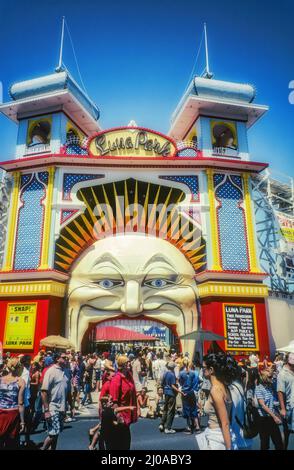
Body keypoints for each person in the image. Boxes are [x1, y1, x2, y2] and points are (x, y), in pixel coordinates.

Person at [197, 353, 237, 450]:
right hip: (220, 434)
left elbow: (225, 422)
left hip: (217, 438)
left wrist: (229, 448)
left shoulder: (215, 390)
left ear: (211, 370)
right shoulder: (225, 386)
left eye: (204, 368)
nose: (202, 370)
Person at [41, 352, 70, 450]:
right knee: (53, 433)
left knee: (56, 433)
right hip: (52, 406)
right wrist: (46, 410)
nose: (66, 359)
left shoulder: (66, 371)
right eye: (64, 357)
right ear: (57, 359)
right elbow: (44, 392)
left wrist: (71, 406)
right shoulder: (51, 371)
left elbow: (68, 390)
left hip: (62, 407)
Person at [109, 355, 138, 450]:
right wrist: (119, 417)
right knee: (122, 442)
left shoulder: (128, 375)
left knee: (126, 440)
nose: (130, 363)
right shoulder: (117, 378)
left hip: (128, 413)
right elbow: (114, 401)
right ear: (123, 365)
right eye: (127, 362)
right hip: (121, 414)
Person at [255, 367, 283, 450]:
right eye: (270, 377)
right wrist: (274, 417)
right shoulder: (259, 388)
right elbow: (263, 405)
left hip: (272, 417)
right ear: (265, 377)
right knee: (265, 444)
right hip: (263, 419)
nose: (272, 379)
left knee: (278, 443)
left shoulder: (270, 386)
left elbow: (274, 401)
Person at [0, 358, 25, 449]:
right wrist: (22, 422)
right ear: (19, 368)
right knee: (11, 443)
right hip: (13, 414)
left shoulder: (1, 379)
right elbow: (20, 403)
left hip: (1, 413)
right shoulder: (20, 381)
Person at [159, 361, 183, 434]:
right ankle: (168, 427)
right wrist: (179, 391)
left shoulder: (165, 373)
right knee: (171, 410)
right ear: (172, 367)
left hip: (166, 392)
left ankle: (162, 424)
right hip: (171, 393)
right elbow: (172, 385)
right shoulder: (172, 374)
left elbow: (162, 382)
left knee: (165, 409)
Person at [179, 359, 201, 434]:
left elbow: (181, 383)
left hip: (185, 392)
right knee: (194, 408)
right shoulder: (192, 373)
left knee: (186, 409)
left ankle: (189, 428)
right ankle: (197, 427)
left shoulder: (181, 373)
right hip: (191, 392)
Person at [277, 352, 294, 450]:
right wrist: (283, 409)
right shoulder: (282, 374)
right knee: (286, 432)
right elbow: (280, 392)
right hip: (289, 407)